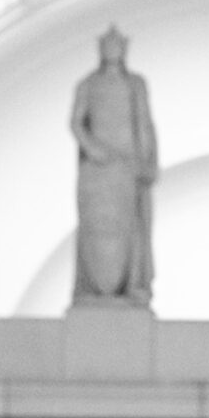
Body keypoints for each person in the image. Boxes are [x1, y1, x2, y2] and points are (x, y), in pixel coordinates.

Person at [70, 26, 159, 306]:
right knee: (97, 228)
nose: (112, 51)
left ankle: (132, 284)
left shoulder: (135, 84)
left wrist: (148, 162)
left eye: (117, 46)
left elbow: (144, 122)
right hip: (99, 169)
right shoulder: (88, 84)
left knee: (131, 226)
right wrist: (93, 148)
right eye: (108, 46)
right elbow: (76, 122)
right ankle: (92, 287)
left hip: (127, 168)